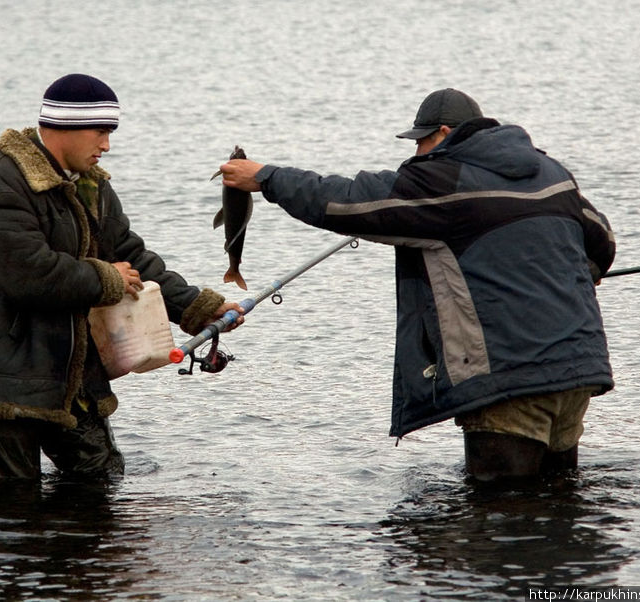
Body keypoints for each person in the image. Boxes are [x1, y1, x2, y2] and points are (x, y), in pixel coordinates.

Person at [218, 88, 615, 481]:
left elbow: (343, 201)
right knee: (561, 506)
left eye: (420, 141)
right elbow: (603, 243)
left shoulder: (441, 179)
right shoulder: (552, 172)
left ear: (442, 133)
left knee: (500, 519)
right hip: (577, 368)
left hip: (508, 377)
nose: (416, 152)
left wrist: (267, 178)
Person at [0, 73, 243, 481]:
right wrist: (107, 280)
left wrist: (197, 308)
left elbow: (131, 257)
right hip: (5, 379)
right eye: (100, 132)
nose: (107, 145)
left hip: (74, 376)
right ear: (65, 128)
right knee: (7, 501)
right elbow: (29, 274)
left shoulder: (93, 187)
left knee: (101, 480)